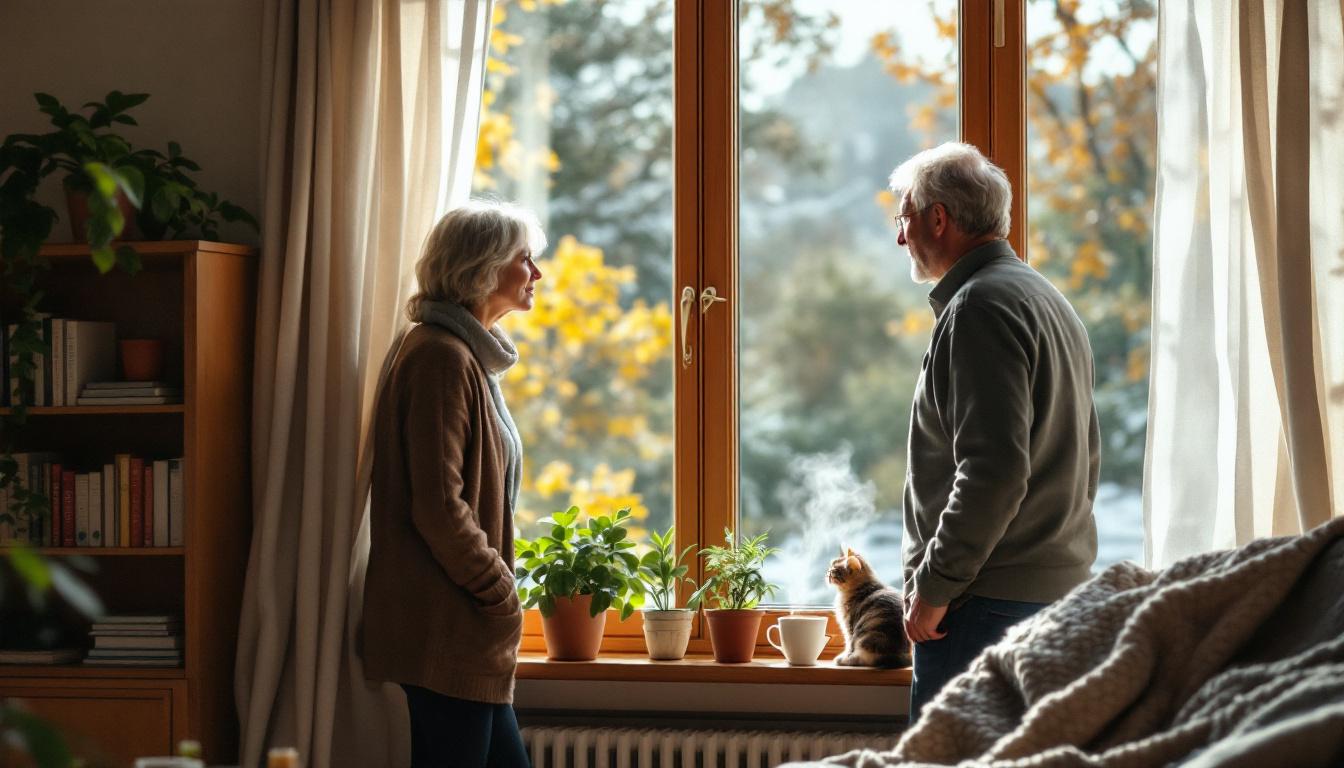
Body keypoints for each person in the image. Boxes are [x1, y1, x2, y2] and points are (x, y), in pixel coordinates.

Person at [890, 143, 1100, 724]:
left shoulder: (979, 307)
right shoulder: (1043, 296)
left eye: (904, 218)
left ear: (938, 218)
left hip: (982, 605)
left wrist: (933, 589)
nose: (900, 238)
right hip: (1045, 596)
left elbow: (993, 473)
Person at [362, 200, 544, 767]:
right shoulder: (441, 357)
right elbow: (439, 506)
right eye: (525, 259)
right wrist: (497, 589)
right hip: (446, 626)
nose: (537, 273)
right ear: (484, 268)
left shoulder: (463, 354)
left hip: (466, 631)